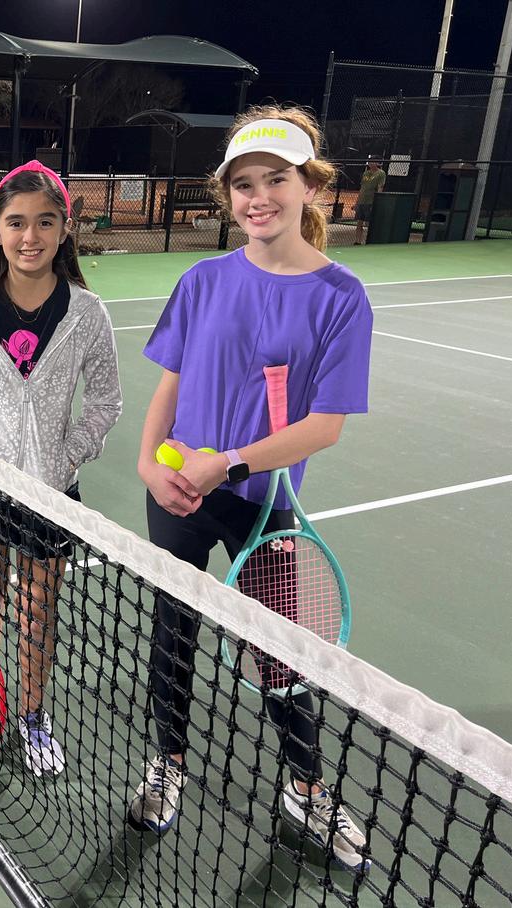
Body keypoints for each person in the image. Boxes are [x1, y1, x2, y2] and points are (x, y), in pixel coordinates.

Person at [132, 107, 374, 872]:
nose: (258, 197)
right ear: (227, 194)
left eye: (276, 179)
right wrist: (148, 464)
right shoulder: (202, 280)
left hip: (263, 506)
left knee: (277, 653)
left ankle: (305, 788)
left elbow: (325, 425)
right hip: (178, 490)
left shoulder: (341, 296)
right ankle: (167, 762)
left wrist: (230, 463)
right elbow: (170, 385)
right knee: (172, 633)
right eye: (244, 184)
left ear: (311, 187)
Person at [0, 160, 122, 777]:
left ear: (64, 229)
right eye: (16, 222)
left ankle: (33, 717)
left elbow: (106, 402)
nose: (29, 236)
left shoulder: (88, 314)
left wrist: (67, 455)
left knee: (38, 613)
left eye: (44, 221)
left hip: (49, 495)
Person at [354, 157, 386, 245]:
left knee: (369, 223)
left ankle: (369, 241)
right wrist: (357, 202)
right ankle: (357, 241)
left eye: (373, 162)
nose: (371, 164)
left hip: (370, 201)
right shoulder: (366, 173)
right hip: (362, 201)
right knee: (359, 222)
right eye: (369, 162)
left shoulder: (381, 173)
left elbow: (380, 187)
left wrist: (377, 200)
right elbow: (362, 187)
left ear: (377, 163)